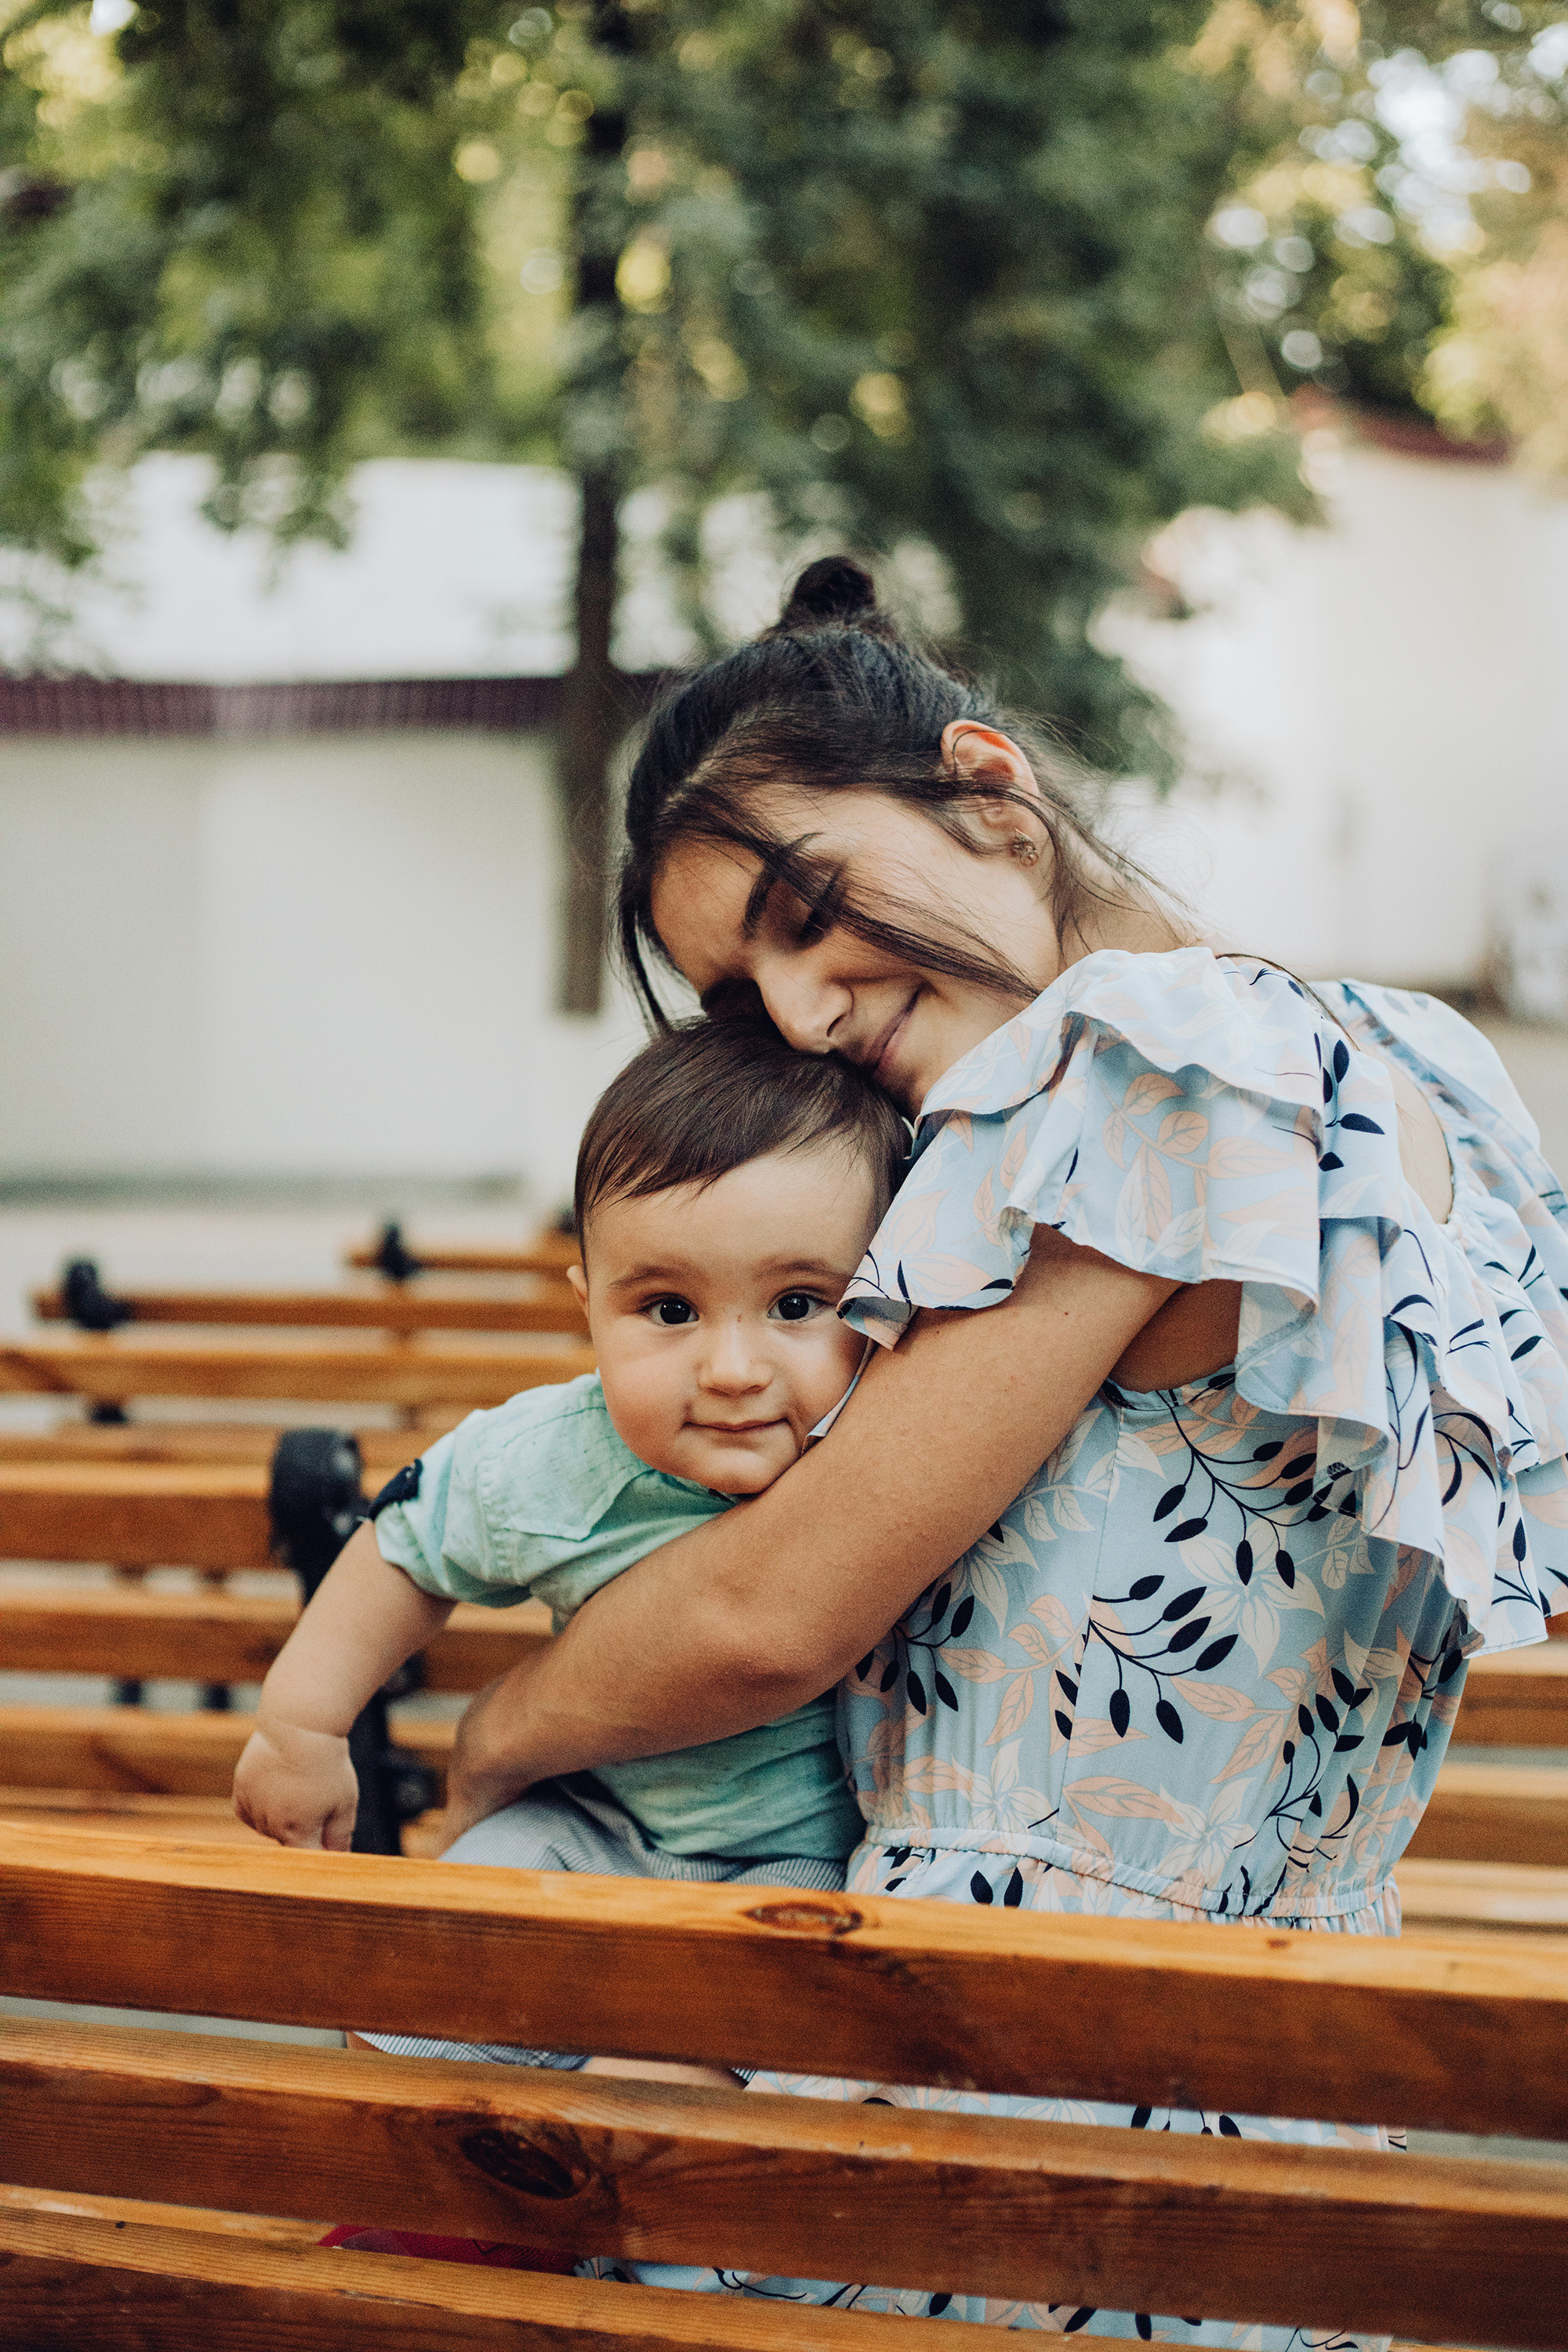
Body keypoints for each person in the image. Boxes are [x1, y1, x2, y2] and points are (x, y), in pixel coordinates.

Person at [415, 556, 1568, 2343]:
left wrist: (491, 1737)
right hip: (1300, 2084)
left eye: (809, 908)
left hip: (1004, 2093)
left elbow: (770, 1613)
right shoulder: (1427, 1059)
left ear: (987, 789)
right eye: (741, 992)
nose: (798, 1015)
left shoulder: (1133, 1066)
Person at [234, 1012, 906, 1954]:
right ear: (587, 1305)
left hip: (808, 1859)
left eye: (797, 1305)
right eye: (669, 1310)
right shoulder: (552, 1456)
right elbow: (406, 1546)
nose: (731, 1368)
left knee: (730, 2040)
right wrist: (302, 1723)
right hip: (585, 1822)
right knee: (419, 1987)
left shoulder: (899, 1448)